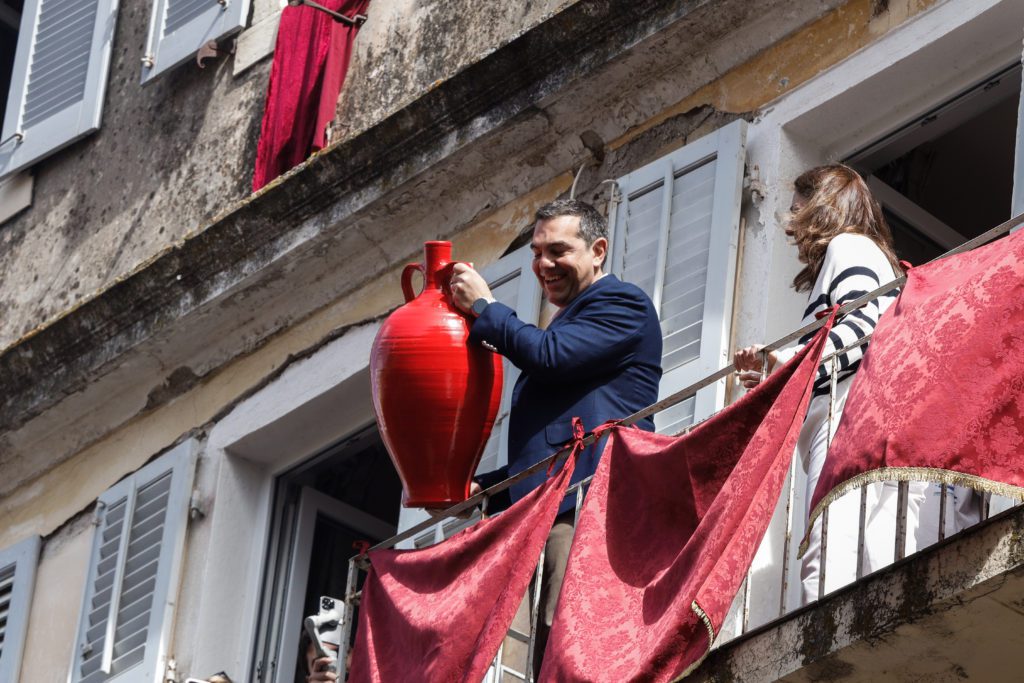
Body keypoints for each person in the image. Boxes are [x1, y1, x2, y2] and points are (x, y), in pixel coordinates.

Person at [447, 198, 662, 674]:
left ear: (598, 250)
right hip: (553, 504)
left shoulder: (621, 302)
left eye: (558, 251)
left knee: (569, 640)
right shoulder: (574, 316)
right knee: (540, 651)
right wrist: (490, 488)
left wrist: (486, 307)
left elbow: (550, 356)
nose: (543, 265)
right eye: (537, 253)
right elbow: (557, 437)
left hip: (588, 503)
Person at [734, 164, 927, 603]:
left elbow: (864, 323)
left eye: (796, 208)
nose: (789, 222)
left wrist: (785, 364)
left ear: (819, 207)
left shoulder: (848, 246)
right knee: (859, 541)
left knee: (831, 543)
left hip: (846, 415)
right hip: (857, 412)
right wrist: (775, 369)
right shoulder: (859, 253)